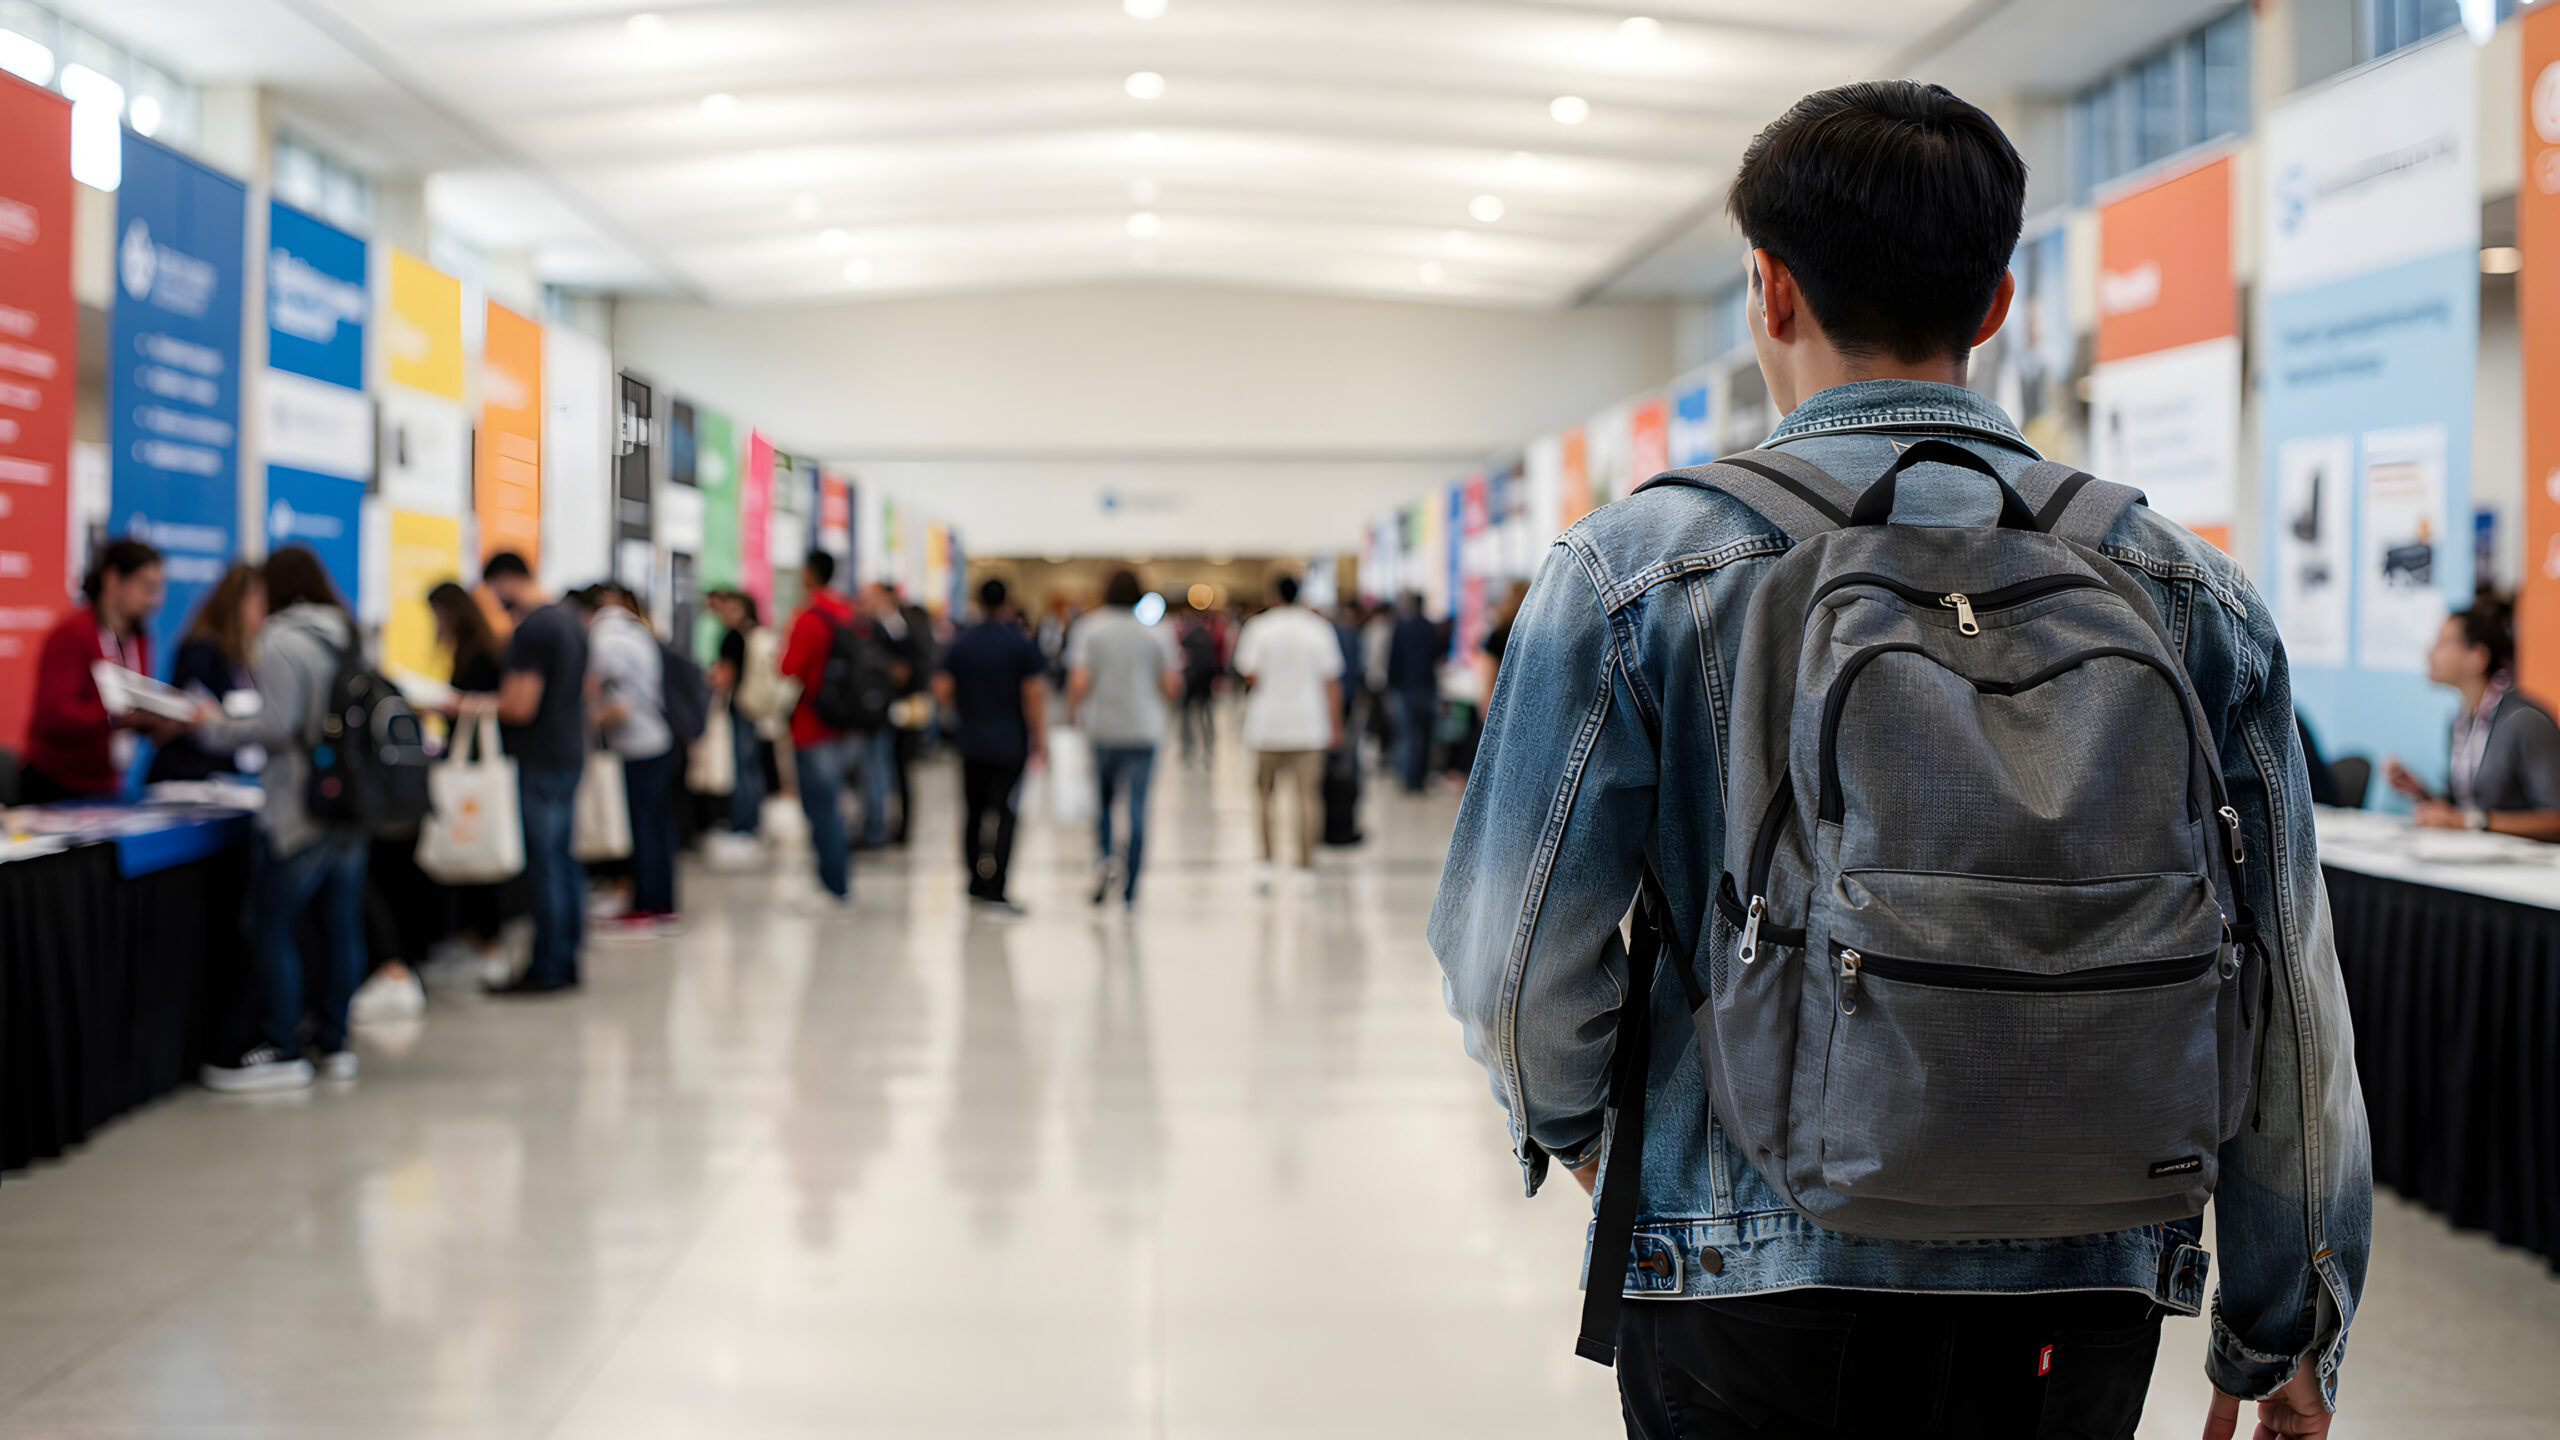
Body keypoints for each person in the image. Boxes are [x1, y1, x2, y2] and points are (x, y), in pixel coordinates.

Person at [1430, 81, 2367, 1440]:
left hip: (1740, 1269)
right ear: (1996, 304)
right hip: (2086, 1266)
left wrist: (1598, 1144)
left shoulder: (1638, 573)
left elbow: (1510, 961)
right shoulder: (2183, 590)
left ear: (1768, 288)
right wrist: (2284, 1322)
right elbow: (2288, 991)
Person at [193, 547, 370, 1092]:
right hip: (351, 803)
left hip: (300, 806)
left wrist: (213, 726)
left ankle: (281, 1045)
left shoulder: (280, 641)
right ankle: (334, 1039)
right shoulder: (346, 633)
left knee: (269, 924)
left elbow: (276, 725)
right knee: (340, 922)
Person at [478, 550, 589, 994]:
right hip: (568, 753)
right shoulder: (570, 622)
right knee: (563, 861)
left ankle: (546, 966)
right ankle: (565, 958)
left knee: (544, 867)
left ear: (505, 580)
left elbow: (520, 706)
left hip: (539, 758)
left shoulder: (532, 629)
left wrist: (461, 704)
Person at [22, 537, 183, 802]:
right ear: (113, 579)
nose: (155, 600)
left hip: (107, 785)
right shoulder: (73, 633)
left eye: (158, 588)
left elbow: (132, 704)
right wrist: (118, 718)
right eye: (146, 587)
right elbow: (55, 716)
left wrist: (155, 722)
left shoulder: (139, 638)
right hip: (56, 785)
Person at [2385, 595, 2560, 838]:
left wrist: (2474, 822)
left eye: (2443, 642)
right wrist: (2421, 793)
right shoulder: (2462, 720)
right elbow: (2467, 809)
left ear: (2477, 656)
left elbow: (2555, 820)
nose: (2430, 653)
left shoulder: (2525, 720)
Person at [932, 578, 1048, 915]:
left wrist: (962, 707)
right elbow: (1033, 694)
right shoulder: (1018, 642)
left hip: (971, 740)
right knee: (1006, 814)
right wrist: (1039, 738)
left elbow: (941, 687)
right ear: (1007, 601)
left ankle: (973, 881)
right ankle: (996, 886)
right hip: (1010, 742)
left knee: (973, 812)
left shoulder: (962, 641)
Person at [1066, 568, 1181, 906]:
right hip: (1144, 729)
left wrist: (1074, 720)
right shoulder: (1158, 632)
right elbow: (1171, 685)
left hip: (1103, 728)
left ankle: (1106, 862)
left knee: (1102, 804)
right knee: (1137, 807)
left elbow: (1079, 683)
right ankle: (1132, 886)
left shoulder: (1089, 628)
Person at [423, 580, 517, 981]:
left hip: (475, 766)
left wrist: (450, 705)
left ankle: (486, 941)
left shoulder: (480, 652)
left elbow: (489, 706)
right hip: (471, 760)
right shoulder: (477, 647)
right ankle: (474, 938)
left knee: (475, 850)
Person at [1233, 574, 1342, 893]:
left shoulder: (1259, 628)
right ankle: (1305, 867)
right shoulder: (1318, 628)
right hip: (1309, 726)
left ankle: (1266, 863)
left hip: (1266, 726)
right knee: (1308, 798)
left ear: (1272, 596)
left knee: (1263, 797)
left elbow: (1250, 673)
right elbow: (1331, 681)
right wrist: (1335, 725)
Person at [583, 584, 681, 933]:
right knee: (656, 828)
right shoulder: (636, 629)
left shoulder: (606, 636)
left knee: (642, 830)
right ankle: (661, 903)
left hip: (638, 747)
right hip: (656, 740)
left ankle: (644, 905)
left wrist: (584, 720)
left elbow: (620, 704)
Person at [780, 550, 865, 905]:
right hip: (848, 726)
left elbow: (789, 668)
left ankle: (834, 885)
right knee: (840, 804)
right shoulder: (849, 614)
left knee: (821, 808)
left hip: (812, 725)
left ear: (810, 573)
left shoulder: (808, 617)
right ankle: (838, 880)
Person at [146, 560, 267, 783]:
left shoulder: (245, 658)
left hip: (224, 779)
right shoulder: (201, 651)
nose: (265, 612)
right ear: (240, 601)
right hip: (188, 779)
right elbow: (193, 717)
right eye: (260, 602)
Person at [703, 589, 769, 866]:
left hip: (742, 706)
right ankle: (749, 820)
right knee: (749, 766)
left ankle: (743, 822)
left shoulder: (736, 638)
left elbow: (725, 674)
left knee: (743, 766)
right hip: (752, 706)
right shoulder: (756, 635)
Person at [1383, 591, 1441, 794]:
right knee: (1424, 736)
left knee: (1408, 736)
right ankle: (1420, 778)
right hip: (1426, 687)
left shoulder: (1401, 628)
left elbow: (1393, 659)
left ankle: (1409, 778)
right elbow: (1438, 655)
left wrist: (1391, 685)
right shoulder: (1429, 628)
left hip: (1406, 688)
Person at [1177, 604, 1222, 765]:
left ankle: (1196, 744)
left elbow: (1183, 654)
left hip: (1196, 677)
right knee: (1201, 712)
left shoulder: (1196, 633)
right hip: (1203, 677)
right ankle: (1202, 743)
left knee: (1196, 712)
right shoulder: (1210, 633)